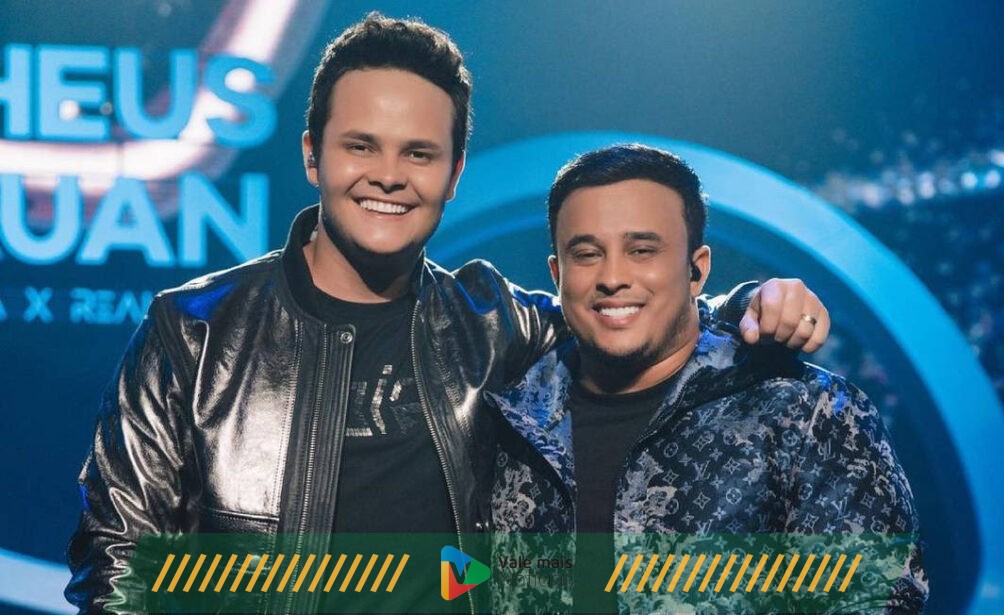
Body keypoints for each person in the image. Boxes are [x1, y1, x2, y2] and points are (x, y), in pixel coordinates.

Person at [65, 15, 832, 613]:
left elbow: (629, 311)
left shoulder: (494, 324)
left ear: (456, 171)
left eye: (419, 153)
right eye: (361, 146)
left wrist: (747, 303)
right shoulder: (195, 332)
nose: (389, 176)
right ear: (312, 155)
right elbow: (118, 565)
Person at [489, 144, 927, 613]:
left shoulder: (805, 414)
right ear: (557, 274)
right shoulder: (507, 421)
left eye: (642, 250)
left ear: (696, 270)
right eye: (587, 254)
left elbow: (876, 600)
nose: (612, 276)